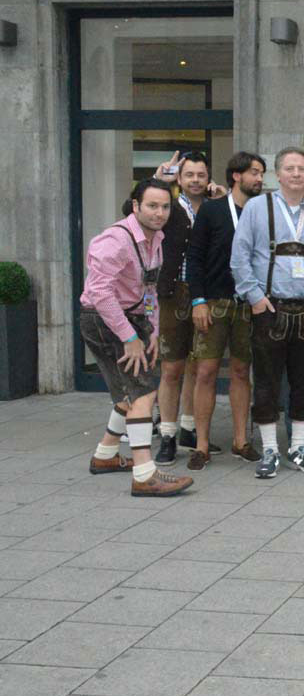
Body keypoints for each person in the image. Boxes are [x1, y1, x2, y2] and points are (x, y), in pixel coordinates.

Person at [231, 146, 304, 479]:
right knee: (266, 383)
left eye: (301, 168)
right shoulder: (256, 207)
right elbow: (239, 257)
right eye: (289, 168)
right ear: (277, 174)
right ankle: (269, 449)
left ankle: (299, 447)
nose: (296, 174)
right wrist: (254, 298)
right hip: (269, 308)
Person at [82, 179, 194, 496]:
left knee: (127, 394)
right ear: (136, 206)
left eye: (165, 207)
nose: (159, 213)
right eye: (152, 206)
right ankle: (145, 475)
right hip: (104, 319)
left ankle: (105, 455)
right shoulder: (115, 240)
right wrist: (130, 337)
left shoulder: (155, 238)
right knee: (143, 391)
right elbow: (100, 294)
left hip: (129, 318)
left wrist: (153, 331)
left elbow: (149, 289)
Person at [186, 152, 265, 466]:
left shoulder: (263, 212)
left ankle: (241, 441)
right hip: (213, 303)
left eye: (261, 173)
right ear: (236, 175)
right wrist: (197, 300)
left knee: (242, 372)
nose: (259, 178)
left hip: (248, 304)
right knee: (205, 372)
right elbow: (194, 257)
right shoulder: (212, 210)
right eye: (254, 172)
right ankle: (201, 446)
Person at [153, 151, 225, 466]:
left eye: (201, 175)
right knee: (172, 368)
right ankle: (167, 435)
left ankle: (188, 428)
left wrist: (225, 202)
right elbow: (131, 209)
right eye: (189, 175)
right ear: (180, 179)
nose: (195, 180)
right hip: (173, 294)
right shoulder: (167, 205)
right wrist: (158, 182)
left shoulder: (214, 208)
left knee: (199, 367)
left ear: (209, 178)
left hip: (205, 295)